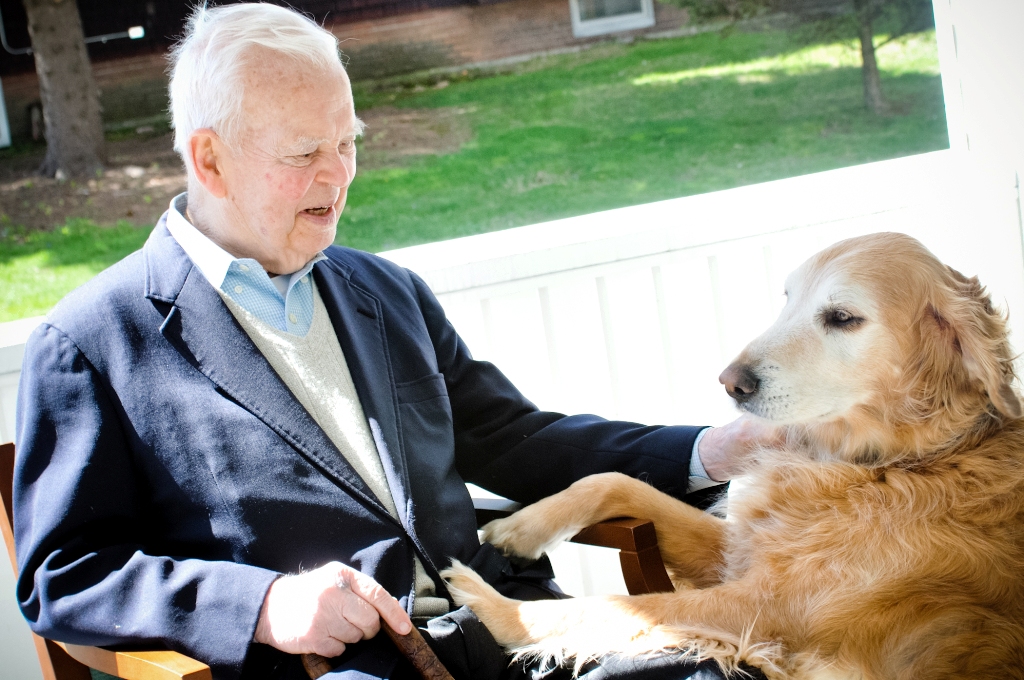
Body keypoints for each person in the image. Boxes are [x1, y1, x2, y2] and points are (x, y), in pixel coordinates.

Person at [13, 5, 768, 680]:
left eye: (348, 143)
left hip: (513, 633)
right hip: (341, 668)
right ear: (209, 159)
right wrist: (265, 604)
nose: (338, 175)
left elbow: (512, 440)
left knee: (739, 671)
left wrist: (713, 450)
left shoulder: (383, 289)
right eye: (304, 151)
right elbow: (65, 574)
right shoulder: (91, 342)